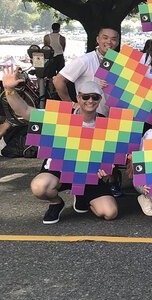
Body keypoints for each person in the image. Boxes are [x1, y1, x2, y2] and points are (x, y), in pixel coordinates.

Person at [2, 70, 117, 224]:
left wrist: (107, 171)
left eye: (95, 97)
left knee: (110, 213)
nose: (90, 100)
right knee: (39, 187)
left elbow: (110, 158)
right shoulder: (61, 115)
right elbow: (25, 111)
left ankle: (82, 196)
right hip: (60, 169)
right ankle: (56, 203)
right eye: (85, 96)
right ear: (78, 97)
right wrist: (9, 90)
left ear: (99, 99)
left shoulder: (106, 124)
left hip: (88, 174)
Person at [53, 26, 119, 116]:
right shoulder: (85, 60)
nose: (109, 42)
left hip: (113, 118)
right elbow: (58, 80)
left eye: (113, 39)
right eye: (105, 38)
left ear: (117, 42)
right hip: (88, 119)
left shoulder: (118, 61)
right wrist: (71, 104)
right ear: (98, 39)